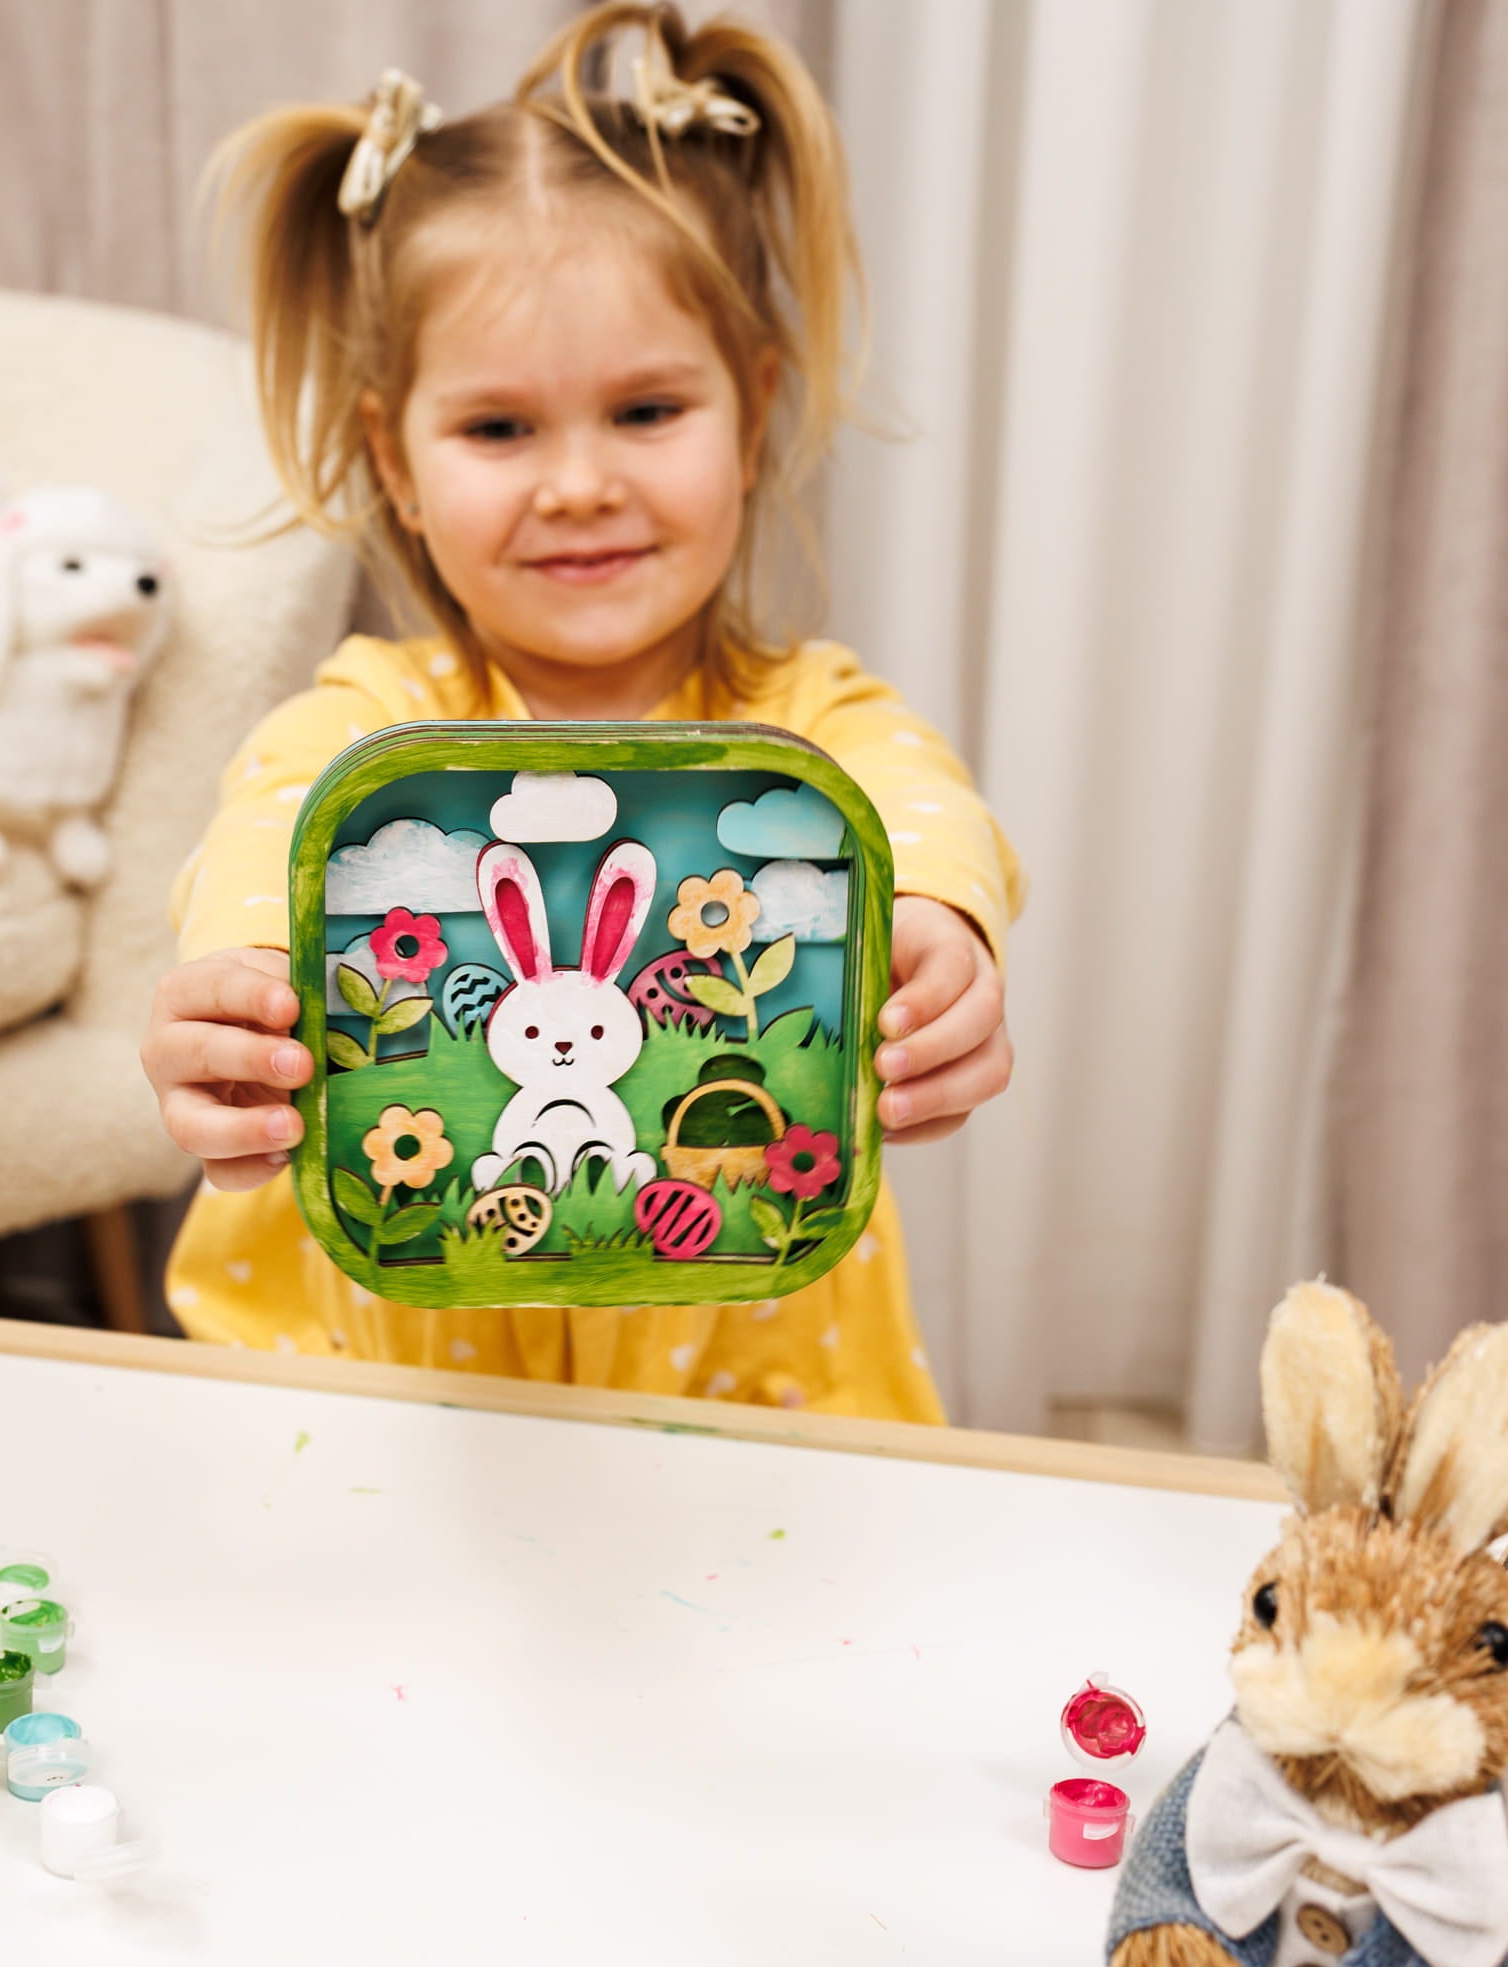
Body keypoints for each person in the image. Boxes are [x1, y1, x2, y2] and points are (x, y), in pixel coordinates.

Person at [141, 2, 1023, 1421]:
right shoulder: (373, 719)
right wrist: (247, 984)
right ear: (400, 461)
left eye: (648, 412)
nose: (577, 485)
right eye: (499, 429)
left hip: (752, 1401)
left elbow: (921, 809)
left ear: (754, 409)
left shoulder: (811, 724)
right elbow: (271, 828)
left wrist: (936, 925)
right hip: (389, 1411)